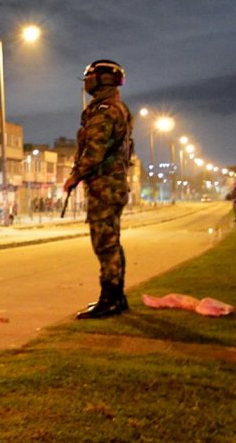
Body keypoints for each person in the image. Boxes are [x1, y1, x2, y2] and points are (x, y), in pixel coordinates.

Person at [63, 60, 134, 320]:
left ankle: (110, 300)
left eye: (90, 76)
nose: (86, 81)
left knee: (105, 245)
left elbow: (94, 151)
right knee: (111, 243)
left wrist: (75, 176)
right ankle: (117, 297)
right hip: (112, 185)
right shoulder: (117, 108)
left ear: (103, 79)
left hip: (105, 186)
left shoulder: (104, 110)